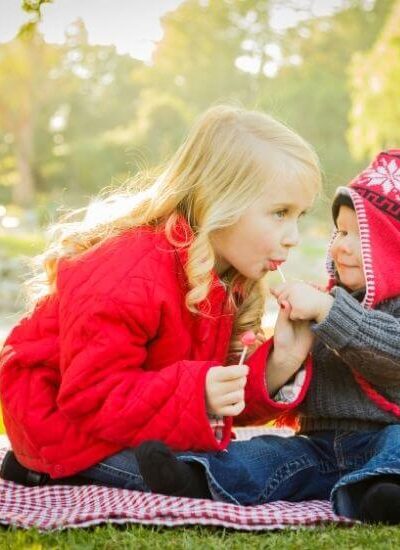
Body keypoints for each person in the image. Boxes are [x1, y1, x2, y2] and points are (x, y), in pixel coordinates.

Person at [0, 105, 321, 490]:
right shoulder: (130, 269)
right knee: (222, 469)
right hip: (62, 424)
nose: (293, 237)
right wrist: (198, 391)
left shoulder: (221, 276)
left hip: (130, 420)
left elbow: (216, 407)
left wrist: (281, 362)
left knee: (246, 460)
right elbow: (90, 396)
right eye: (280, 213)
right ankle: (41, 467)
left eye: (299, 215)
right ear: (221, 202)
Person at [133, 150, 400, 524]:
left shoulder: (337, 307)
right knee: (268, 455)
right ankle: (195, 475)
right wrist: (286, 353)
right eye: (339, 231)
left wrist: (329, 312)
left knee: (398, 449)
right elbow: (298, 388)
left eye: (360, 237)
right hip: (321, 445)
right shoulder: (324, 298)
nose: (340, 246)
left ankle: (382, 495)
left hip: (386, 437)